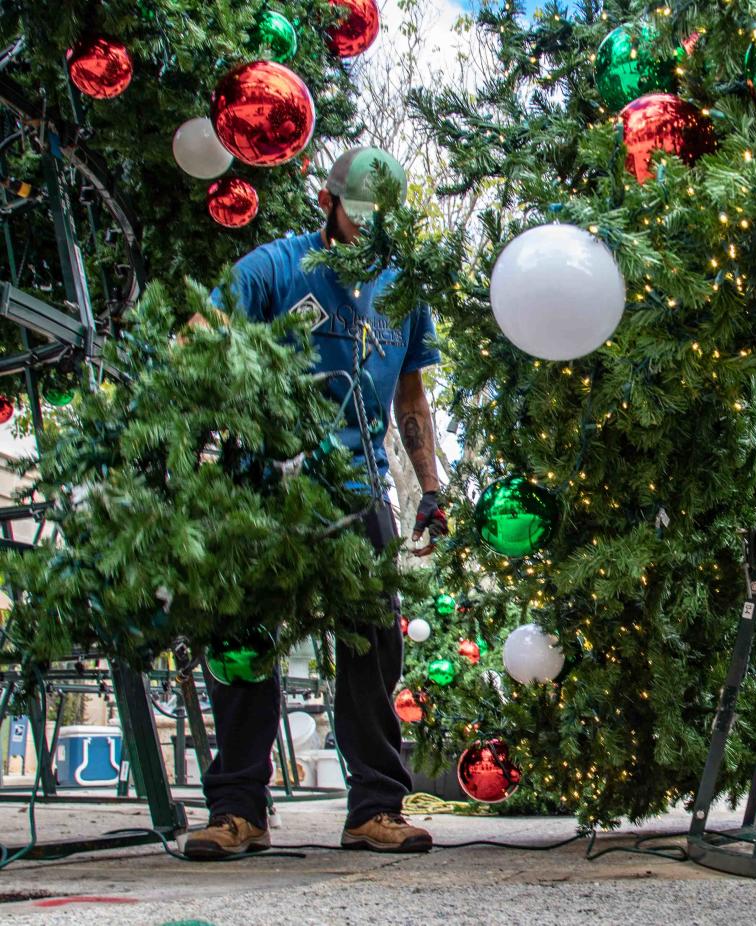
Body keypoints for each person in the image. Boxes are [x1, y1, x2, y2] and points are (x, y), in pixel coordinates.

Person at [183, 147, 449, 859]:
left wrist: (429, 489)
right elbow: (200, 339)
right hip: (264, 482)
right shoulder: (274, 267)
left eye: (381, 219)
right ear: (328, 204)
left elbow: (411, 395)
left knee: (372, 643)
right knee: (244, 637)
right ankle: (238, 810)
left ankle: (375, 810)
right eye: (359, 215)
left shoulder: (403, 289)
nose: (369, 230)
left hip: (359, 486)